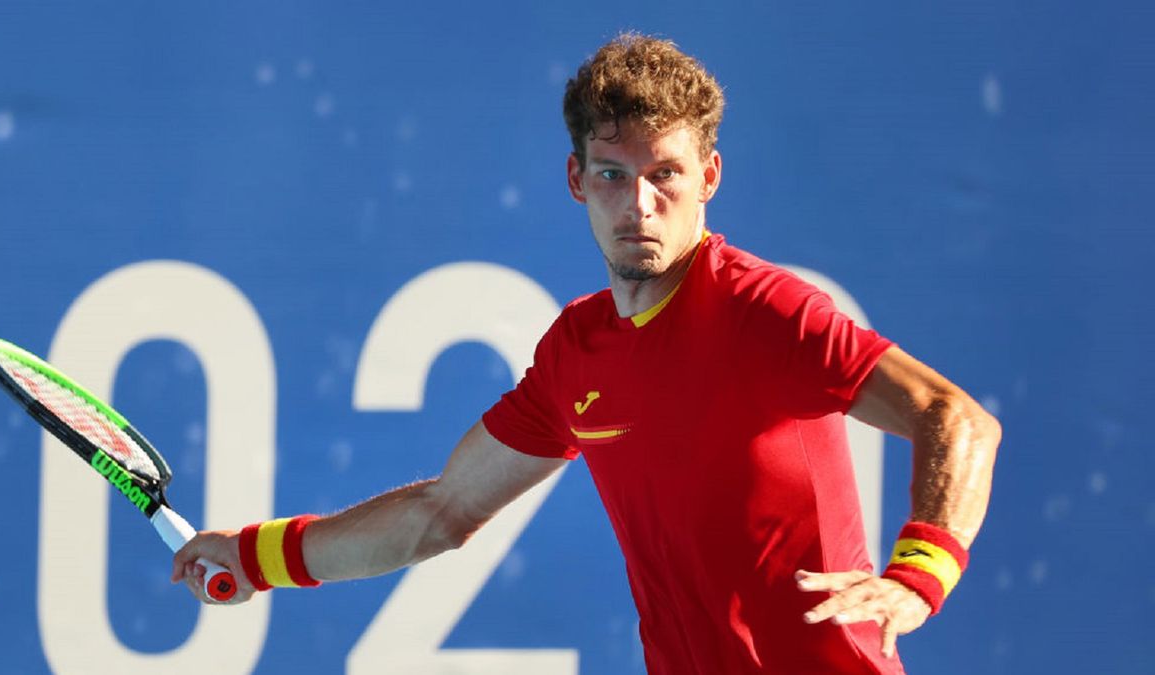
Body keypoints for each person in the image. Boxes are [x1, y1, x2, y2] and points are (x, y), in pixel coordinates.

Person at [172, 33, 1000, 674]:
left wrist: (919, 574)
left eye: (665, 175)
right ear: (576, 179)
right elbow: (441, 512)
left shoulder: (764, 309)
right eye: (611, 175)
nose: (639, 204)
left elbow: (956, 418)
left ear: (709, 176)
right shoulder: (577, 351)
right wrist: (256, 555)